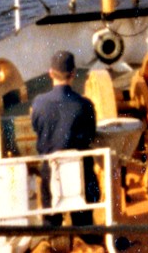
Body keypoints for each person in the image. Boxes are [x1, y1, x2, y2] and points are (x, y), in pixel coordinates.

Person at [30, 50, 98, 227]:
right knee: (84, 221)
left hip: (50, 171)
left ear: (51, 73)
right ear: (74, 74)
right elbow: (91, 135)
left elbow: (37, 128)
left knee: (50, 223)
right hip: (81, 172)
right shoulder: (85, 105)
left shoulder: (38, 103)